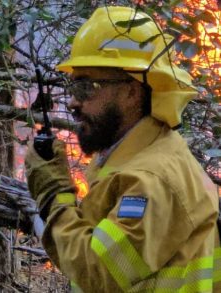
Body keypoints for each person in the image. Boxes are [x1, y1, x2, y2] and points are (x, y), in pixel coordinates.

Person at [25, 6, 221, 292]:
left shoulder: (152, 179)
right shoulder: (130, 157)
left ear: (131, 92)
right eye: (73, 88)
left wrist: (55, 197)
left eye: (86, 88)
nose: (73, 103)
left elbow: (99, 273)